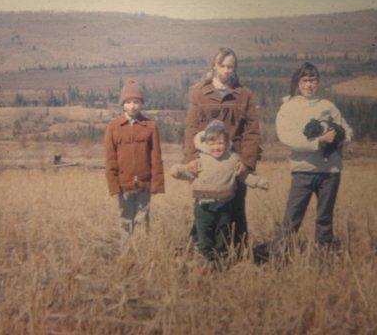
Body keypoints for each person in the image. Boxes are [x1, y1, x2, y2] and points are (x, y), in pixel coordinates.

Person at [272, 62, 353, 256]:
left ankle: (324, 258)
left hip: (330, 172)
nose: (309, 85)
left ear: (318, 82)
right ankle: (278, 258)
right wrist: (319, 141)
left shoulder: (328, 106)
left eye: (313, 80)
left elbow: (347, 130)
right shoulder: (289, 107)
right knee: (292, 218)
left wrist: (340, 139)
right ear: (297, 82)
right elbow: (287, 137)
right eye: (305, 80)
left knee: (324, 218)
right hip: (303, 171)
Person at [184, 48, 262, 247]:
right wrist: (192, 158)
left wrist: (246, 163)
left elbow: (252, 132)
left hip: (234, 162)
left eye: (231, 67)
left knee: (235, 209)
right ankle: (201, 252)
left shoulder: (244, 95)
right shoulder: (199, 92)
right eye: (224, 66)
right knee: (205, 207)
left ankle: (237, 254)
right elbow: (191, 127)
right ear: (214, 66)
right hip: (207, 163)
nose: (228, 70)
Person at [171, 120, 268, 267]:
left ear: (227, 142)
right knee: (204, 236)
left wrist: (259, 182)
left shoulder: (232, 159)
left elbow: (243, 176)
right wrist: (178, 171)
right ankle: (205, 262)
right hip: (203, 207)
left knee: (222, 236)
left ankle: (221, 262)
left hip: (224, 206)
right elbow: (189, 174)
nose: (217, 147)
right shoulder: (200, 160)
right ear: (206, 143)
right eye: (213, 143)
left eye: (220, 143)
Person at [105, 80, 165, 245]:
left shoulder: (150, 126)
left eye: (136, 102)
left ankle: (142, 252)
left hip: (144, 184)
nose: (132, 106)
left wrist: (156, 184)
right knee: (125, 219)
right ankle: (126, 253)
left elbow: (156, 157)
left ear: (142, 104)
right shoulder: (113, 127)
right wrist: (114, 186)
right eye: (128, 102)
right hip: (124, 184)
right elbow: (110, 160)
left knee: (142, 218)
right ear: (122, 104)